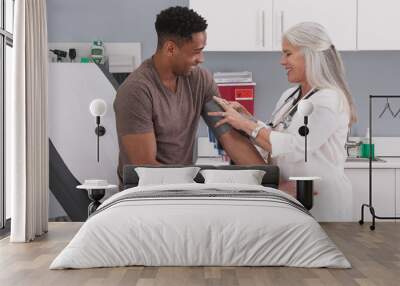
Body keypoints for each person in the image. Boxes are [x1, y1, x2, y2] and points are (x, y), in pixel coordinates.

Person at [209, 22, 357, 221]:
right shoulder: (291, 95)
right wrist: (248, 118)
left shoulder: (327, 100)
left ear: (309, 55)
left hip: (322, 200)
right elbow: (276, 136)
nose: (282, 61)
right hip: (291, 195)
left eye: (288, 54)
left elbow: (296, 147)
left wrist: (246, 125)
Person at [113, 6, 264, 183]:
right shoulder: (136, 92)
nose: (202, 59)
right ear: (170, 49)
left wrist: (269, 180)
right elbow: (146, 169)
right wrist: (198, 184)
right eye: (195, 51)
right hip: (144, 194)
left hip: (181, 185)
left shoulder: (200, 80)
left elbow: (229, 136)